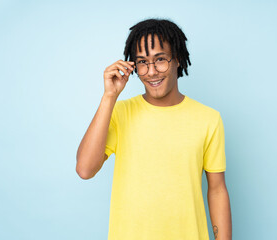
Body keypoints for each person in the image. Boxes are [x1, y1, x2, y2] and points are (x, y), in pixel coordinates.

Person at [76, 18, 232, 240]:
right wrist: (109, 96)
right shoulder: (119, 113)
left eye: (160, 60)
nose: (151, 72)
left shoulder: (208, 119)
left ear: (177, 59)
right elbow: (85, 169)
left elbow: (217, 190)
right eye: (142, 62)